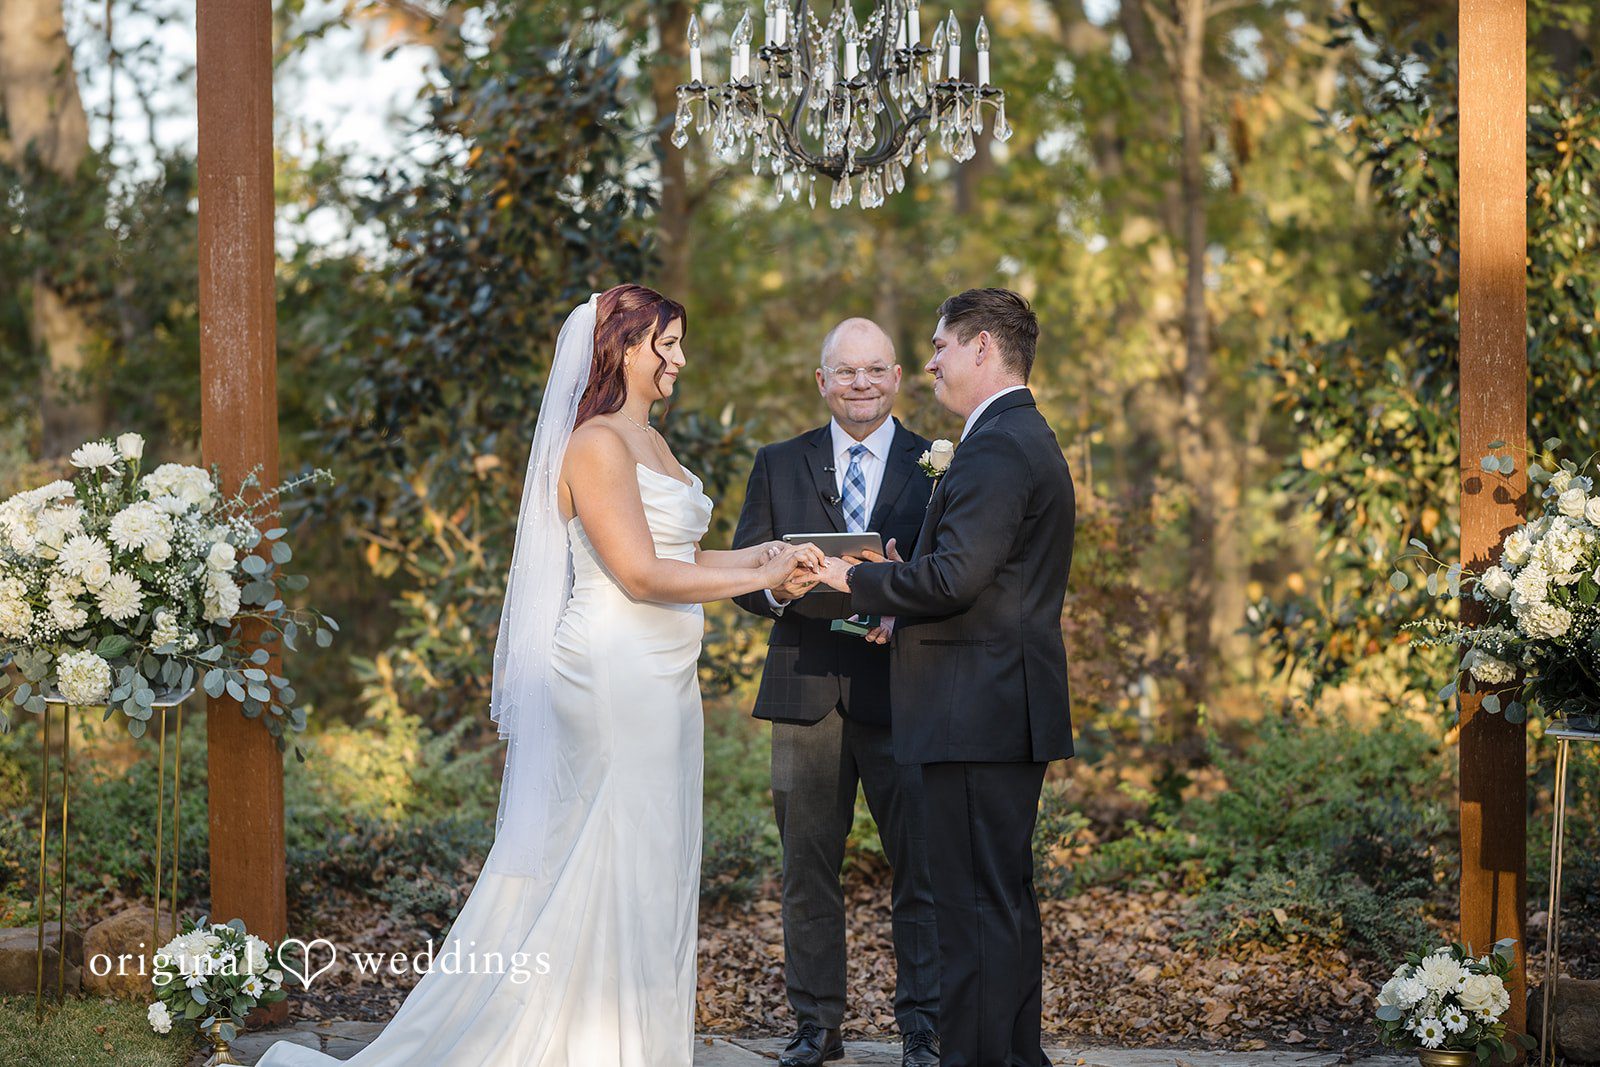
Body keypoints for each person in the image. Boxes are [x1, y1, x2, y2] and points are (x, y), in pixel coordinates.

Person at [254, 284, 822, 1067]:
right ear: (625, 346)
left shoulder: (652, 442)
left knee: (653, 854)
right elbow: (639, 572)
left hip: (663, 678)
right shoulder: (595, 444)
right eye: (669, 344)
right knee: (611, 851)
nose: (681, 360)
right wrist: (752, 578)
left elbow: (686, 558)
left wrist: (769, 564)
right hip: (613, 670)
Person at [814, 288, 1076, 1067]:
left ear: (983, 349)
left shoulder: (997, 445)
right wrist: (906, 589)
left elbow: (958, 579)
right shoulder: (1014, 435)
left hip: (974, 713)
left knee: (971, 913)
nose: (927, 361)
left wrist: (846, 579)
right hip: (990, 706)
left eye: (939, 346)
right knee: (994, 906)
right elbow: (976, 578)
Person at [731, 318, 940, 1067]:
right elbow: (743, 578)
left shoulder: (938, 462)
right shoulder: (778, 463)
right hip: (805, 687)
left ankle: (924, 1026)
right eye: (845, 371)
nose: (860, 382)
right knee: (806, 868)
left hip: (907, 690)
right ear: (822, 381)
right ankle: (816, 1027)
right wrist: (781, 589)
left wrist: (897, 604)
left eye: (874, 369)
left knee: (920, 865)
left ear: (897, 378)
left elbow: (956, 571)